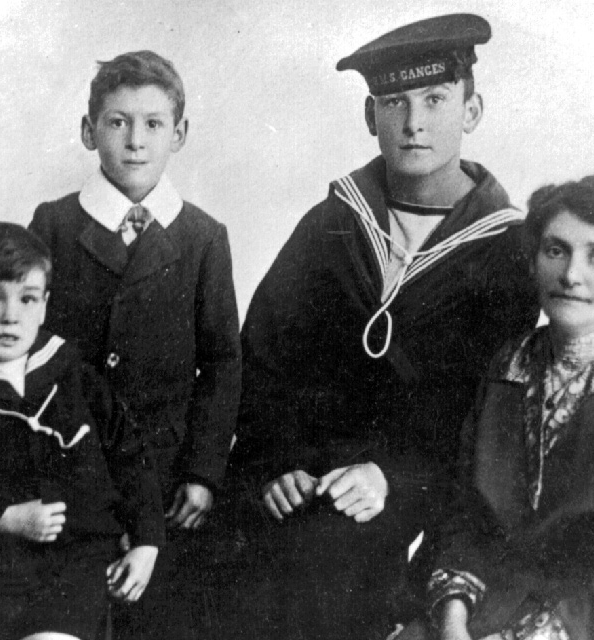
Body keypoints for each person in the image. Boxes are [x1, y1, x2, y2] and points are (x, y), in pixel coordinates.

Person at [220, 14, 539, 639]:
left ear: (471, 111)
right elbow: (263, 353)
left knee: (326, 569)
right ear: (371, 118)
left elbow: (480, 412)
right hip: (300, 470)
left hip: (412, 486)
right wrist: (276, 463)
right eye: (394, 103)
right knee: (212, 558)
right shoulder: (335, 222)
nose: (414, 123)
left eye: (435, 100)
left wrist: (389, 476)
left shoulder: (506, 251)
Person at [400, 175, 594, 640]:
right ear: (533, 261)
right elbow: (463, 513)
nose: (571, 274)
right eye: (556, 250)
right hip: (495, 592)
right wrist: (453, 617)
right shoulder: (507, 367)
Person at [27, 51, 241, 639]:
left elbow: (223, 361)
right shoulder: (53, 225)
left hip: (167, 475)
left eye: (153, 124)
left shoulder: (202, 237)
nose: (136, 141)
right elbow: (26, 348)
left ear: (180, 133)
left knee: (160, 618)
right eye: (117, 122)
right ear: (88, 130)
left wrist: (203, 472)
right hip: (73, 462)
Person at [0, 223, 165, 640]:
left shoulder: (77, 379)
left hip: (72, 570)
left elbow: (130, 458)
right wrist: (2, 518)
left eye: (27, 299)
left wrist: (147, 541)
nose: (10, 315)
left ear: (44, 306)